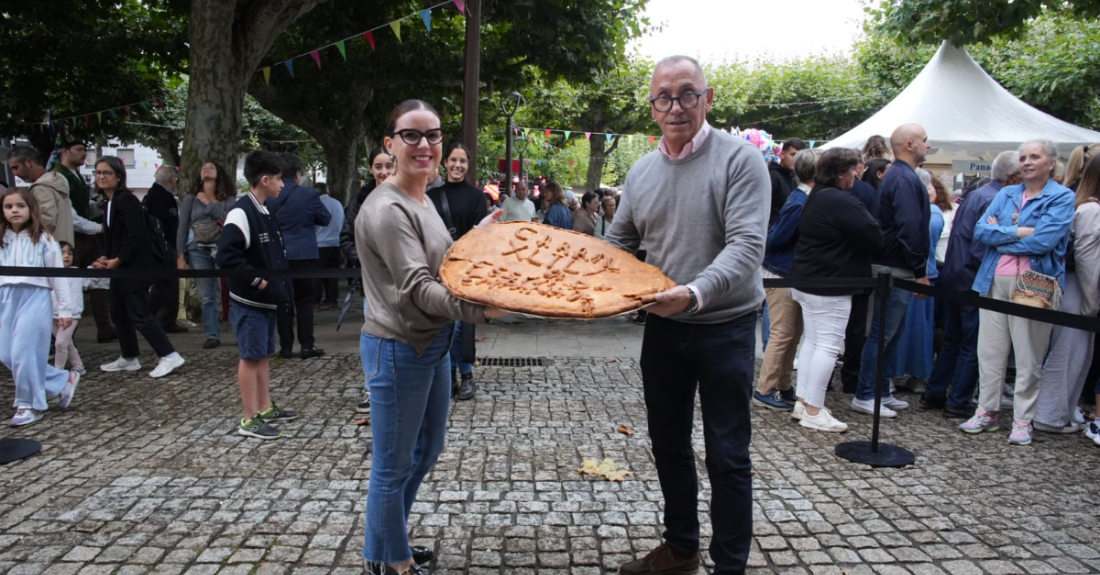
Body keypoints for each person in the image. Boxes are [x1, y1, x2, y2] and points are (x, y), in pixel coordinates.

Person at [606, 56, 768, 575]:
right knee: (668, 445)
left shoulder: (741, 161)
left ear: (708, 97)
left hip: (727, 327)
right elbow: (618, 246)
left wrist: (694, 293)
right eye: (663, 97)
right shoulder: (641, 170)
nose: (675, 107)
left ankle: (729, 566)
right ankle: (680, 550)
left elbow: (745, 247)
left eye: (686, 94)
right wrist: (570, 280)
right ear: (652, 105)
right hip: (664, 327)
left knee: (727, 455)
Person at [355, 99, 507, 575]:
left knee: (426, 450)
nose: (424, 145)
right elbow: (419, 287)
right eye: (412, 136)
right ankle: (392, 562)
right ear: (390, 143)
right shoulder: (387, 209)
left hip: (431, 344)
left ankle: (384, 546)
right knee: (393, 465)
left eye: (433, 136)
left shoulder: (423, 197)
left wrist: (474, 238)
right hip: (398, 347)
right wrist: (477, 311)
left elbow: (441, 261)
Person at [961, 140, 1076, 445]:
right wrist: (1021, 231)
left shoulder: (1062, 197)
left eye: (1034, 157)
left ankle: (1023, 419)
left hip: (1035, 283)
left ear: (1051, 163)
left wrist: (1002, 236)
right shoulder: (1006, 193)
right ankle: (987, 410)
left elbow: (1044, 242)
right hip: (994, 279)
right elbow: (980, 232)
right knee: (989, 351)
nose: (1026, 162)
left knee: (1028, 354)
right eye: (1023, 157)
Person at [788, 148, 884, 432]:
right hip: (830, 283)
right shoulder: (843, 201)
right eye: (855, 169)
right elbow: (875, 238)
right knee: (827, 345)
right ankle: (814, 409)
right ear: (842, 171)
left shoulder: (818, 195)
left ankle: (804, 402)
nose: (857, 174)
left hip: (810, 279)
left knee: (814, 343)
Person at [921, 151, 1020, 418]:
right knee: (971, 345)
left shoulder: (978, 194)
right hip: (971, 282)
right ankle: (957, 400)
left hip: (955, 276)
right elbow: (981, 248)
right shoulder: (996, 200)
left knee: (954, 341)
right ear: (1012, 177)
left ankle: (936, 392)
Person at [214, 150, 298, 439]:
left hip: (266, 301)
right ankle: (249, 418)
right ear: (264, 180)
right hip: (249, 301)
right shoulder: (241, 211)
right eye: (278, 179)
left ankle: (263, 407)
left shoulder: (264, 209)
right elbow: (225, 256)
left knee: (262, 354)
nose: (283, 185)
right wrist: (258, 281)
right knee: (250, 357)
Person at [851, 124, 932, 418]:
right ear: (910, 145)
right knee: (881, 334)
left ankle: (880, 391)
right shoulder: (902, 178)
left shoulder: (900, 176)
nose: (929, 144)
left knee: (889, 333)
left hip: (896, 266)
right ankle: (865, 393)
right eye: (924, 140)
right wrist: (920, 269)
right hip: (894, 268)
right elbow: (909, 227)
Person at [93, 156, 185, 379]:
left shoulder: (127, 200)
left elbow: (137, 235)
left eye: (107, 173)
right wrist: (106, 256)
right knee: (118, 311)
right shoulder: (109, 202)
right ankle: (129, 356)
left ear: (118, 176)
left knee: (140, 313)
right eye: (98, 173)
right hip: (121, 265)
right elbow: (114, 237)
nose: (101, 177)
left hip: (134, 266)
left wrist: (118, 259)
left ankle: (169, 354)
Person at [0, 187, 79, 426]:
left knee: (24, 353)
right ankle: (60, 380)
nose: (14, 211)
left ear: (31, 209)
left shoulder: (44, 238)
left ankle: (29, 404)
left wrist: (65, 309)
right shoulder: (1, 238)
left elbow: (58, 276)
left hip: (35, 297)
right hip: (6, 298)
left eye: (20, 206)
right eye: (9, 206)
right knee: (6, 353)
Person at [1036, 154, 1100, 434]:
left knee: (1076, 355)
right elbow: (1086, 258)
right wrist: (1091, 302)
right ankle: (1049, 415)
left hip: (1080, 291)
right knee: (1068, 355)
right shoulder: (1090, 211)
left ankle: (1059, 411)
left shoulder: (1087, 208)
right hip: (1078, 292)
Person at [754, 148, 817, 411]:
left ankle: (782, 385)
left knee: (791, 333)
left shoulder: (801, 198)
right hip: (780, 274)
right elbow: (777, 238)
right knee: (782, 333)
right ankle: (764, 389)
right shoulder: (800, 201)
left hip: (786, 273)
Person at [428, 142, 489, 401]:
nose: (457, 165)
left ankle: (466, 375)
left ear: (468, 165)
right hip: (438, 267)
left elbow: (480, 235)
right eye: (453, 160)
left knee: (464, 325)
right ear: (445, 163)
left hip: (466, 268)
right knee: (443, 323)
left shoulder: (476, 196)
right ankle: (447, 373)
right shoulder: (430, 196)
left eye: (462, 161)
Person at [268, 153, 331, 360]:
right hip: (305, 253)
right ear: (297, 174)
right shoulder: (308, 195)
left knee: (283, 301)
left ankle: (285, 347)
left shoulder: (270, 195)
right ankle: (307, 345)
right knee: (304, 301)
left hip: (278, 254)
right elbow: (325, 218)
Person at [890, 169, 944, 387]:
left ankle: (905, 373)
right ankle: (905, 372)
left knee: (912, 328)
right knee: (910, 328)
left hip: (920, 274)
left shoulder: (928, 213)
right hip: (918, 273)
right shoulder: (929, 212)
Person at [177, 161, 233, 349]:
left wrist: (209, 204)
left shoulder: (228, 199)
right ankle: (212, 335)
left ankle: (238, 332)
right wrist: (180, 254)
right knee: (207, 296)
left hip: (222, 248)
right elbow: (182, 227)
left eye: (211, 167)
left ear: (219, 174)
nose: (206, 169)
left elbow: (231, 221)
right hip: (197, 250)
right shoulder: (190, 199)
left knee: (230, 292)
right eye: (203, 167)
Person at [144, 166, 187, 334]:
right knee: (165, 284)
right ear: (170, 179)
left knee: (170, 284)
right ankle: (147, 316)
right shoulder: (158, 196)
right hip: (164, 245)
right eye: (175, 179)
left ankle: (167, 319)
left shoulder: (157, 195)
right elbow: (159, 224)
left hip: (167, 244)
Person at [6, 146, 74, 246]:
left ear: (29, 163)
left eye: (16, 167)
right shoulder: (53, 181)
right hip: (61, 249)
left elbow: (45, 222)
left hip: (48, 250)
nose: (14, 173)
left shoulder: (41, 188)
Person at [341, 148, 394, 266]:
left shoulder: (408, 197)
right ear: (371, 169)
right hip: (370, 276)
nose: (384, 172)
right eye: (378, 167)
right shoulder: (360, 199)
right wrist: (365, 262)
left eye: (389, 166)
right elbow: (347, 237)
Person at [52, 241, 85, 376]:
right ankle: (79, 366)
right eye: (62, 253)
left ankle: (57, 371)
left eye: (69, 253)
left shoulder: (77, 273)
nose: (66, 256)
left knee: (60, 343)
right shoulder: (48, 272)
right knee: (67, 342)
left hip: (72, 314)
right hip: (52, 314)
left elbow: (92, 279)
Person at [313, 182, 344, 310]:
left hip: (319, 244)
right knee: (333, 274)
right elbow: (342, 222)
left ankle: (316, 301)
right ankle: (332, 301)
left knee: (317, 276)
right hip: (335, 243)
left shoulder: (316, 204)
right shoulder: (337, 204)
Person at [768, 138, 806, 228]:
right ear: (782, 154)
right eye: (793, 155)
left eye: (800, 156)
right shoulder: (772, 176)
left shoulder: (793, 177)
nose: (796, 159)